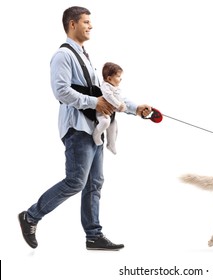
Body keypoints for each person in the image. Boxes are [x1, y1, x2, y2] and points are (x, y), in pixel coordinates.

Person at [18, 6, 152, 251]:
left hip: (94, 131)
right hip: (78, 129)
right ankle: (31, 216)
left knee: (95, 182)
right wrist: (94, 102)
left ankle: (93, 235)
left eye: (91, 22)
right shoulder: (63, 55)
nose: (90, 26)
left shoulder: (86, 58)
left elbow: (106, 95)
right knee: (76, 181)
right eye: (86, 22)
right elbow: (61, 91)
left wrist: (136, 108)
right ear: (72, 24)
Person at [93, 62, 127, 155]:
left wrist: (122, 105)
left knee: (113, 125)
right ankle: (96, 135)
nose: (121, 79)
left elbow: (119, 98)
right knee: (105, 122)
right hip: (102, 112)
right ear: (109, 78)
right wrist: (118, 105)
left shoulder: (116, 88)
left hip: (111, 113)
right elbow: (109, 97)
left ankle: (111, 144)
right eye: (118, 76)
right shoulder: (106, 86)